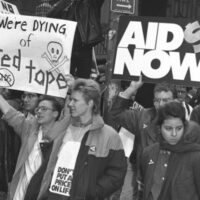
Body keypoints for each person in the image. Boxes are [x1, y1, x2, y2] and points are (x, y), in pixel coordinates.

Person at [38, 78, 127, 200]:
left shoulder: (109, 135)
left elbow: (117, 174)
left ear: (90, 103)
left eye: (75, 100)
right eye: (70, 100)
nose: (70, 104)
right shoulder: (63, 129)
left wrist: (92, 192)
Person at [109, 78, 176, 199]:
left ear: (175, 102)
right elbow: (116, 113)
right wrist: (132, 89)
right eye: (157, 100)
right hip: (143, 184)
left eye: (165, 100)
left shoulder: (185, 126)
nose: (160, 105)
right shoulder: (144, 116)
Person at [0, 93, 71, 200]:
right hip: (20, 191)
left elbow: (69, 117)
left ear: (55, 113)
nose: (39, 111)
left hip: (42, 193)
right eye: (38, 109)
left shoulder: (62, 136)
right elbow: (11, 113)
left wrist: (69, 92)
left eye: (44, 109)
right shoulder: (29, 129)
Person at [140, 101, 200, 200]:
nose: (174, 134)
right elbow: (144, 189)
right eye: (168, 128)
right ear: (159, 128)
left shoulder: (195, 156)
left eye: (179, 128)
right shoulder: (148, 153)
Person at [47, 0, 105, 78]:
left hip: (84, 48)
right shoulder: (66, 4)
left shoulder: (90, 3)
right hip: (67, 49)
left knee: (84, 80)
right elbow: (50, 15)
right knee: (65, 80)